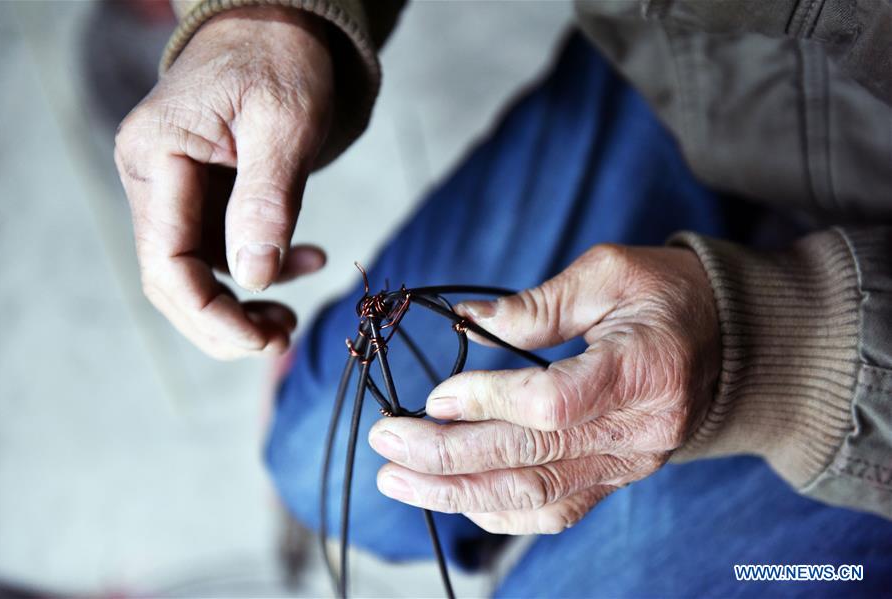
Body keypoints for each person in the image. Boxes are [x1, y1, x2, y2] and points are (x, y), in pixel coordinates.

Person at [114, 1, 892, 596]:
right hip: (705, 69)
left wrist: (777, 359)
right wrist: (265, 19)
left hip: (855, 358)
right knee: (320, 457)